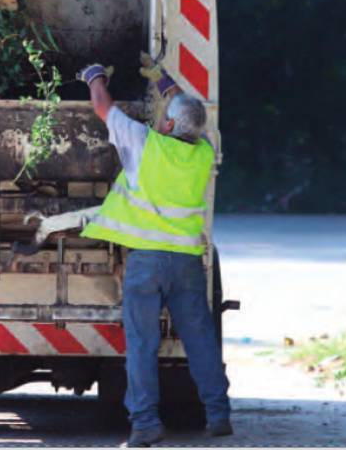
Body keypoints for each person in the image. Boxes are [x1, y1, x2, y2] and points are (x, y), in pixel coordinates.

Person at [76, 57, 232, 447]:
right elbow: (190, 116)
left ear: (166, 125)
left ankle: (145, 423)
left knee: (143, 343)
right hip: (186, 263)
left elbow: (102, 106)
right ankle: (218, 414)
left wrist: (93, 74)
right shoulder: (203, 154)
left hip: (147, 263)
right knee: (199, 337)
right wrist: (163, 80)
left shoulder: (144, 143)